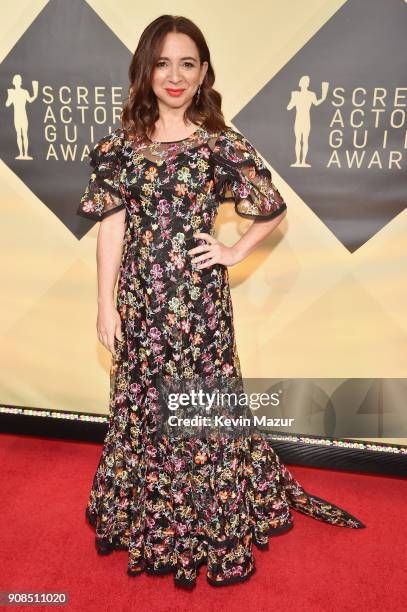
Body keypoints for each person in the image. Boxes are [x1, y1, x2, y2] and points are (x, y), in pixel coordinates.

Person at [77, 15, 365, 588]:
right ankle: (151, 519)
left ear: (204, 72)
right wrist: (106, 306)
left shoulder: (217, 144)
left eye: (188, 63)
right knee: (143, 410)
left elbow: (273, 205)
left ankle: (206, 520)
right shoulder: (121, 148)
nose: (175, 75)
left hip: (201, 312)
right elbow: (111, 230)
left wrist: (234, 250)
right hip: (141, 305)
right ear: (146, 71)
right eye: (163, 63)